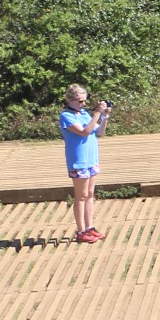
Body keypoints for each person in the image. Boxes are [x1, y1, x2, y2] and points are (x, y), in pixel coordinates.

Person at [59, 85, 111, 243]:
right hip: (78, 161)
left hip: (91, 159)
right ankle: (81, 230)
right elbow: (84, 132)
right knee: (80, 196)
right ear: (70, 100)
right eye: (80, 101)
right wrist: (96, 114)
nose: (83, 104)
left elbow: (99, 132)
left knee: (89, 194)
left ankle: (89, 227)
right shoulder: (67, 116)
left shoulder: (85, 114)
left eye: (84, 101)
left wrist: (104, 118)